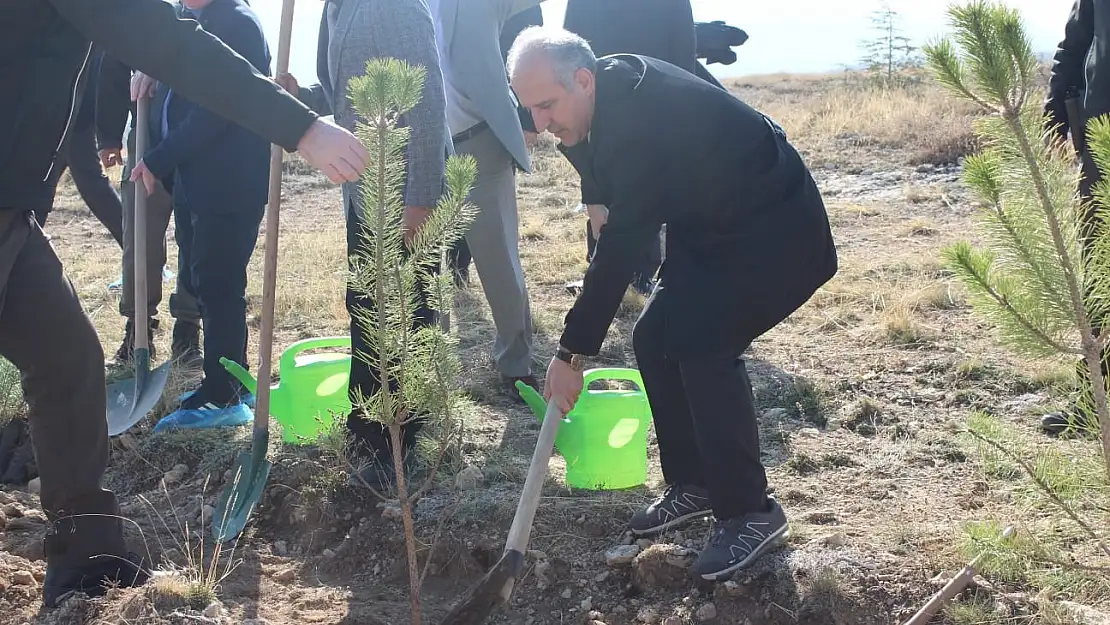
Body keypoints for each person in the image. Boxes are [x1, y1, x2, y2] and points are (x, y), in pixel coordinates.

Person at [3, 0, 368, 608]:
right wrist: (302, 126)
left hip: (12, 210)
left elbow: (158, 43)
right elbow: (171, 44)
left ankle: (87, 558)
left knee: (68, 361)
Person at [508, 28, 838, 581]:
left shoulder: (636, 121)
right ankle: (696, 483)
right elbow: (609, 193)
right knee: (655, 336)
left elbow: (619, 249)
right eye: (530, 109)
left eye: (547, 106)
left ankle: (752, 513)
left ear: (583, 80)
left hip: (778, 231)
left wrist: (570, 353)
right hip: (710, 228)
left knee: (703, 344)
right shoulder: (593, 102)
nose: (540, 125)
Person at [274, 0, 449, 491]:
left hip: (405, 192)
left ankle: (400, 449)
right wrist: (301, 98)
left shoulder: (392, 6)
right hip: (367, 187)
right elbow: (346, 92)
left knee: (400, 314)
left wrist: (421, 203)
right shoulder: (339, 7)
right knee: (367, 308)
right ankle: (368, 433)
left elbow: (429, 104)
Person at [132, 0, 272, 429]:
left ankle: (225, 395)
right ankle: (226, 379)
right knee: (205, 282)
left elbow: (216, 113)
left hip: (229, 182)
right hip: (199, 181)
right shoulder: (199, 20)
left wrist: (159, 157)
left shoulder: (236, 24)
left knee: (219, 284)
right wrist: (152, 70)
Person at [431, 0, 540, 399]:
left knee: (499, 262)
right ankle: (431, 367)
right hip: (421, 149)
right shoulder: (394, 7)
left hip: (479, 143)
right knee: (423, 262)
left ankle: (516, 364)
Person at [562, 0, 700, 296]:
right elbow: (569, 43)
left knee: (646, 183)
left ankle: (642, 274)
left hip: (655, 97)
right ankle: (600, 273)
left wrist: (680, 100)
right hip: (594, 96)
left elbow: (682, 46)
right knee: (598, 183)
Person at [96, 48, 203, 367]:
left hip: (197, 139)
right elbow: (112, 65)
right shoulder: (132, 12)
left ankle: (187, 327)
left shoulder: (208, 11)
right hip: (147, 136)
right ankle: (138, 327)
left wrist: (161, 68)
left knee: (195, 238)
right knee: (139, 238)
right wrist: (109, 135)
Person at [1041, 0, 1109, 437]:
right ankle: (1095, 399)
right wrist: (1054, 108)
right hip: (1103, 139)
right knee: (1100, 269)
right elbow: (1077, 40)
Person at [37, 45, 126, 248]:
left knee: (92, 186)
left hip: (73, 120)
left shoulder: (84, 27)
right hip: (60, 117)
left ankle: (139, 248)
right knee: (38, 185)